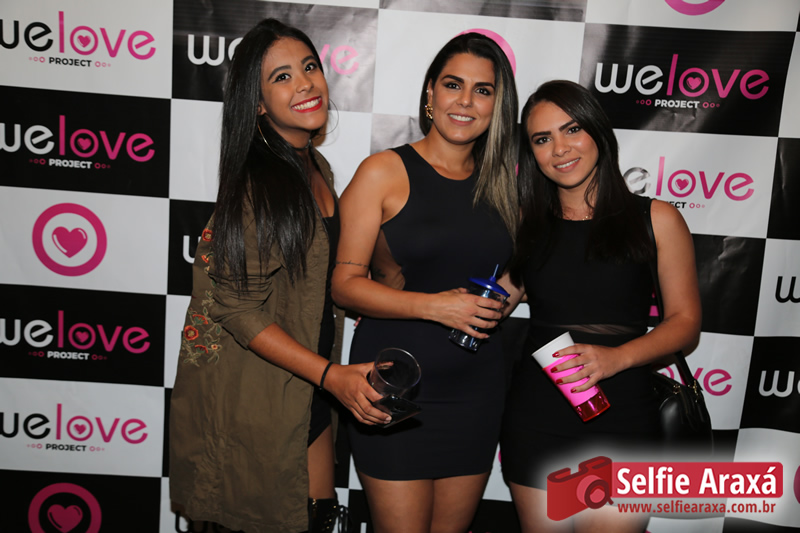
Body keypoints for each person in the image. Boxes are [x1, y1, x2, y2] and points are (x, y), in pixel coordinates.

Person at [168, 18, 386, 533]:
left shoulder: (315, 168)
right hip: (263, 395)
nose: (305, 83)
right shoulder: (259, 186)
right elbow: (237, 308)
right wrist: (330, 376)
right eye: (282, 77)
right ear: (259, 103)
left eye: (309, 67)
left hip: (308, 391)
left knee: (312, 517)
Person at [331, 33, 519, 533]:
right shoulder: (383, 171)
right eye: (453, 85)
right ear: (431, 93)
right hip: (395, 387)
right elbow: (344, 285)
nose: (466, 101)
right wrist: (436, 307)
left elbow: (519, 271)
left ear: (498, 105)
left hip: (476, 391)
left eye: (483, 90)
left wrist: (503, 298)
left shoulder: (506, 184)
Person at [498, 80, 702, 533]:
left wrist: (616, 358)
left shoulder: (656, 218)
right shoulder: (529, 227)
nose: (560, 149)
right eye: (542, 138)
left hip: (624, 415)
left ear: (598, 132)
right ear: (531, 153)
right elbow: (492, 304)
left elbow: (686, 323)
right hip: (536, 417)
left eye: (572, 129)